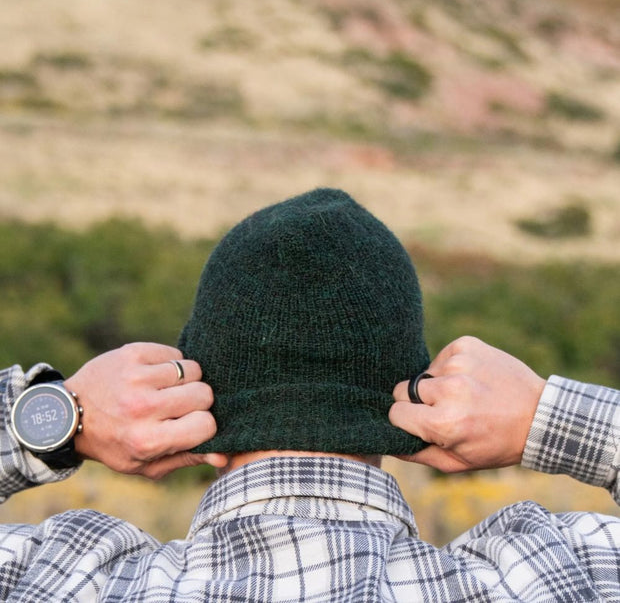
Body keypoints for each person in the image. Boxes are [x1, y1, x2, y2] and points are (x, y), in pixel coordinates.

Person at [0, 188, 618, 602]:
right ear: (418, 408)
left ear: (195, 400)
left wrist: (57, 417)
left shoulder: (64, 576)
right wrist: (545, 416)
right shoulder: (547, 576)